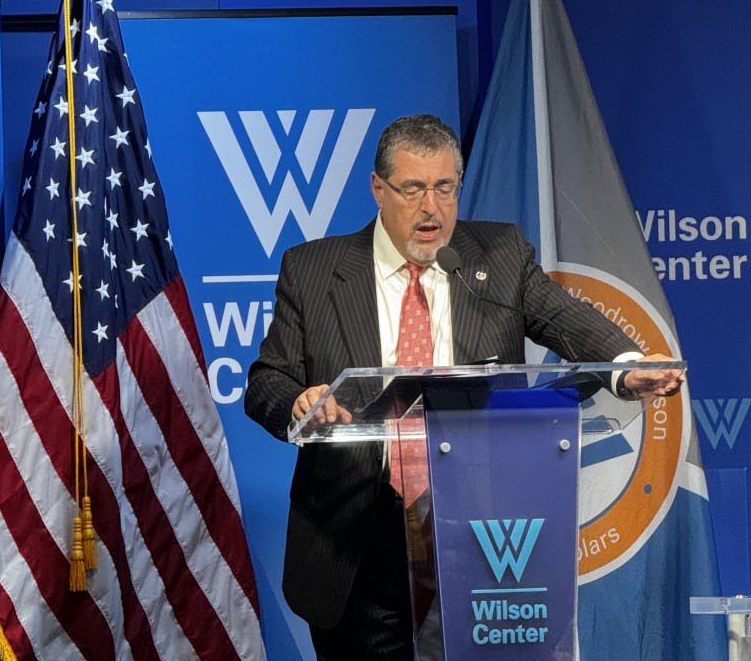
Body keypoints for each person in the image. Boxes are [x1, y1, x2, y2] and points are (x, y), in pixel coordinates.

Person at [243, 114, 684, 660]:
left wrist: (625, 364)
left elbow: (564, 319)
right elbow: (267, 380)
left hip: (480, 533)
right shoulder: (312, 269)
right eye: (413, 189)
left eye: (445, 188)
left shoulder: (496, 257)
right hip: (356, 541)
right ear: (378, 189)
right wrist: (298, 401)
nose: (432, 207)